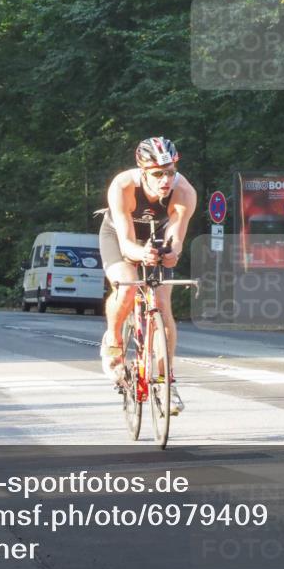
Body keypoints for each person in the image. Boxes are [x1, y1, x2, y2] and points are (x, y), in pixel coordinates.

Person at [98, 137, 197, 413]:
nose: (165, 180)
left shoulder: (185, 192)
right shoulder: (123, 186)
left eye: (170, 172)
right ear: (143, 172)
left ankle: (167, 381)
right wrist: (140, 254)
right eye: (157, 174)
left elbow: (176, 237)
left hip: (156, 236)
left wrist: (172, 252)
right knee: (127, 286)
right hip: (121, 236)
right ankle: (114, 340)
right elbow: (127, 243)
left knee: (163, 305)